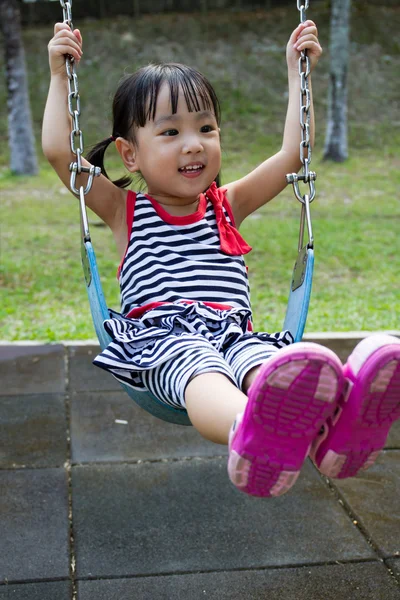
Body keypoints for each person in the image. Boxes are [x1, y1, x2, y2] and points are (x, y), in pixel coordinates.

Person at [43, 19, 400, 498]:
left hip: (235, 334)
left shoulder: (226, 205)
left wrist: (299, 77)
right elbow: (57, 152)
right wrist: (59, 76)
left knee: (275, 365)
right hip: (163, 340)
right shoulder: (123, 210)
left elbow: (293, 153)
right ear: (130, 155)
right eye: (170, 132)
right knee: (199, 368)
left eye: (206, 127)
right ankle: (248, 433)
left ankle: (337, 429)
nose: (194, 143)